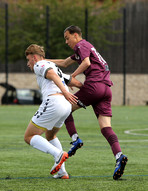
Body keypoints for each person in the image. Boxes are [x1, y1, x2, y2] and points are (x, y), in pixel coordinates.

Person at [47, 25, 128, 180]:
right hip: (106, 90)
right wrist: (45, 61)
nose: (66, 42)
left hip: (94, 86)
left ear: (76, 35)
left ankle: (75, 139)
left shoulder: (81, 45)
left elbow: (86, 63)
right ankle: (119, 156)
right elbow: (64, 63)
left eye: (67, 37)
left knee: (65, 108)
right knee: (106, 128)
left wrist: (72, 78)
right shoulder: (84, 48)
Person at [24, 44, 83, 179]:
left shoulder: (40, 64)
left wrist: (64, 91)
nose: (28, 64)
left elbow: (50, 74)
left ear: (34, 57)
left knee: (29, 137)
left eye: (28, 60)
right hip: (65, 106)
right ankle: (62, 172)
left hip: (54, 102)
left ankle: (58, 154)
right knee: (50, 136)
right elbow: (74, 82)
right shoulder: (55, 68)